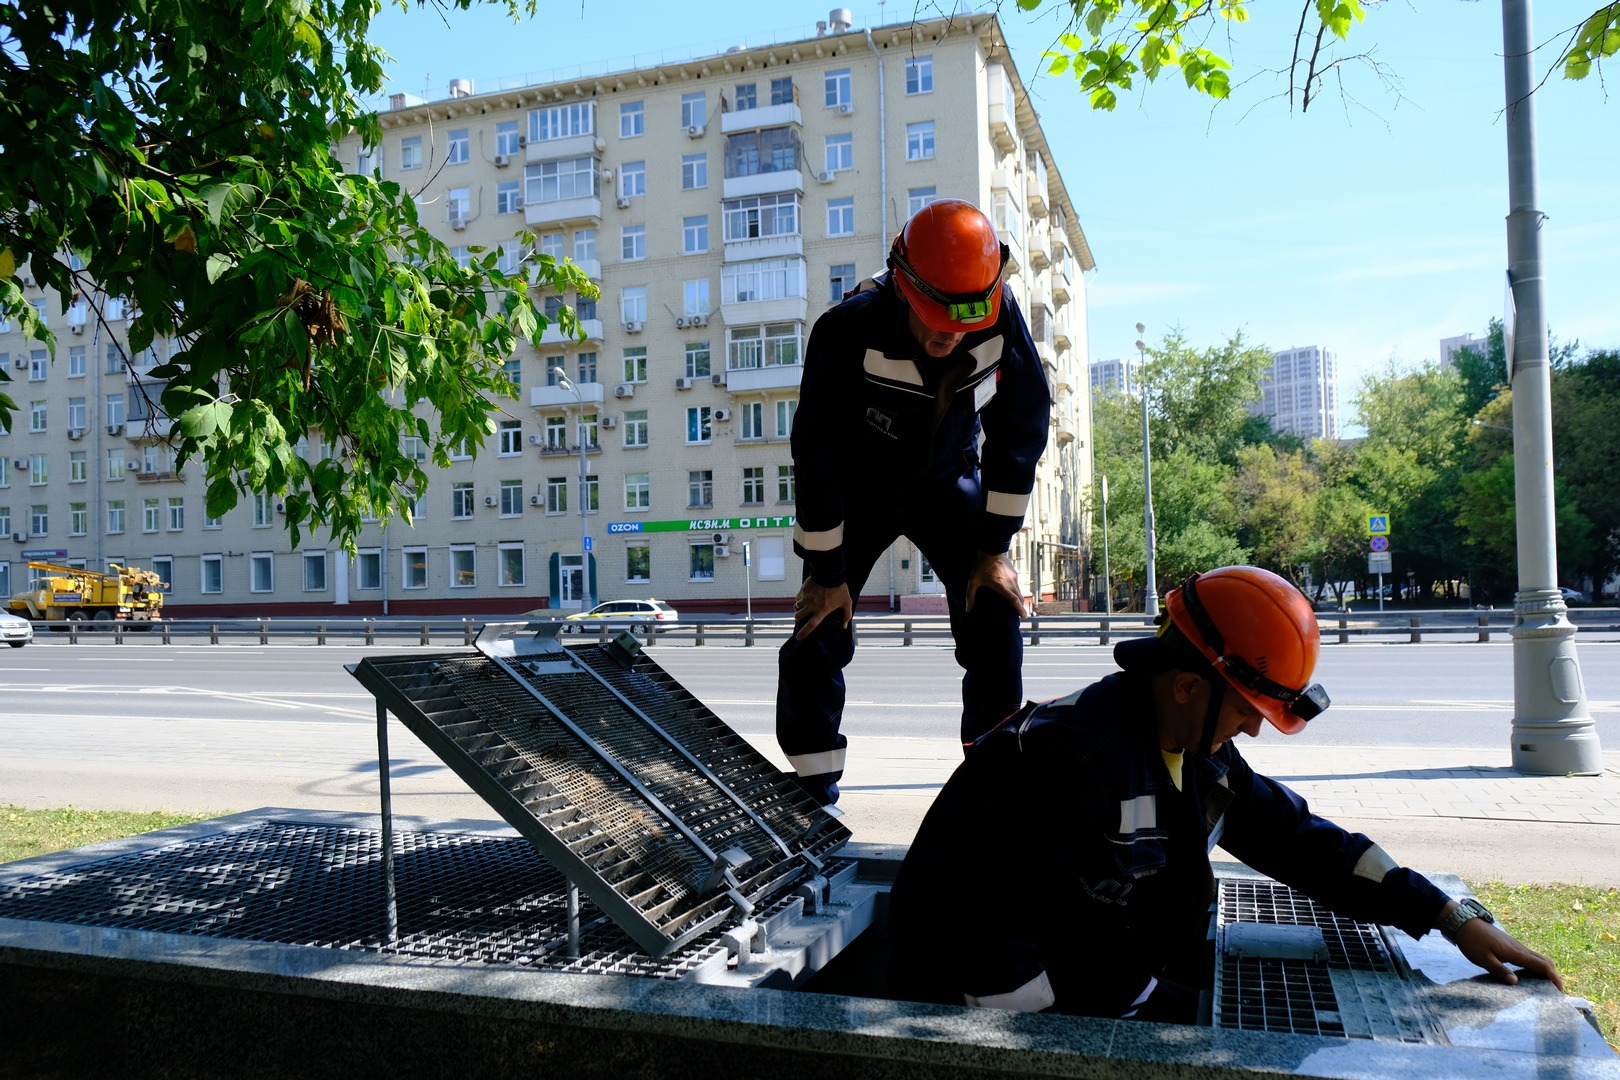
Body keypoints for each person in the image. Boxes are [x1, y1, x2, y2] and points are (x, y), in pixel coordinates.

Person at [888, 565, 1562, 1019]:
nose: (1251, 735)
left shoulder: (1191, 750)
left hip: (1105, 974)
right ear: (1187, 686)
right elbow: (984, 946)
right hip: (990, 1003)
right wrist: (1070, 1053)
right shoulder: (1074, 761)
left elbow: (1303, 842)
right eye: (1245, 713)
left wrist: (1449, 918)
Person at [779, 199, 1051, 806]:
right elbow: (815, 453)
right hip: (858, 491)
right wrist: (828, 574)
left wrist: (993, 550)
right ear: (901, 284)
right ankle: (813, 789)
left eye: (960, 323)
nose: (946, 336)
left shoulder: (1001, 316)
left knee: (995, 614)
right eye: (932, 319)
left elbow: (1022, 426)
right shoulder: (847, 329)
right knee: (818, 628)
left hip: (946, 484)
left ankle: (991, 787)